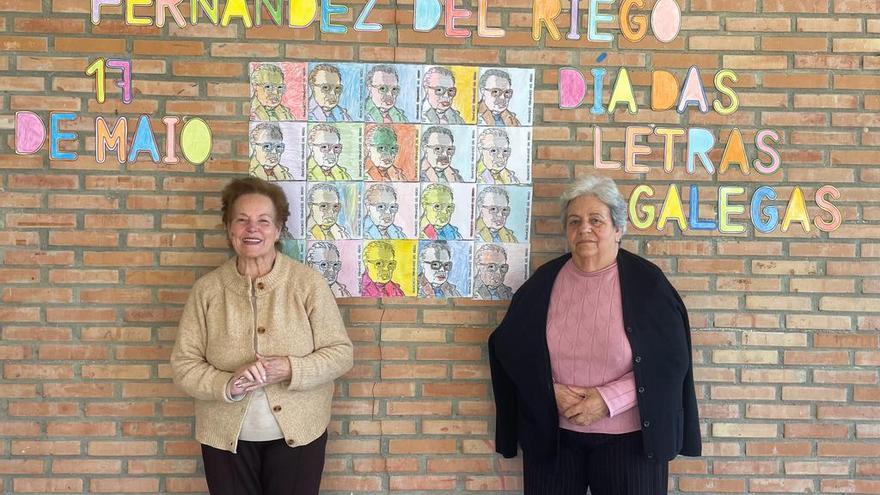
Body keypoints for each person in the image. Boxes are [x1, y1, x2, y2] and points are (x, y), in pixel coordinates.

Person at [488, 175, 701, 495]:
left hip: (630, 441)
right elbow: (509, 347)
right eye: (574, 221)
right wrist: (548, 390)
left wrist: (607, 400)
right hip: (554, 437)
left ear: (618, 229)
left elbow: (670, 361)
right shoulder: (544, 281)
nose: (583, 228)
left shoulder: (648, 284)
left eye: (595, 220)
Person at [171, 177, 353, 495]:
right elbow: (184, 365)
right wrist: (227, 384)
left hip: (299, 437)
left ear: (278, 229)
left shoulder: (307, 284)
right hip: (225, 441)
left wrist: (289, 368)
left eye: (263, 221)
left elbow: (340, 353)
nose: (252, 229)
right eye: (242, 220)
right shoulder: (207, 290)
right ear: (229, 229)